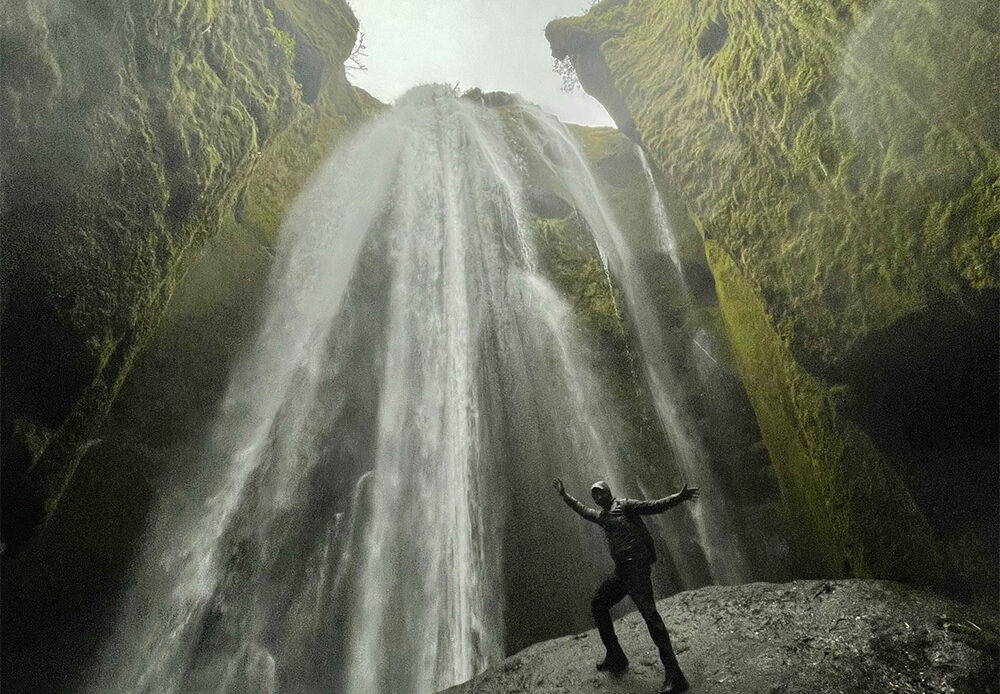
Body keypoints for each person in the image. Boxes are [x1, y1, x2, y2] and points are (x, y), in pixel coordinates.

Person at [552, 477, 699, 694]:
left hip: (637, 570)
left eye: (601, 492)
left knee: (651, 617)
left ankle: (676, 676)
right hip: (622, 572)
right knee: (598, 604)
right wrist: (564, 495)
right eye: (595, 495)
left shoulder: (625, 505)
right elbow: (582, 510)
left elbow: (653, 506)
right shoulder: (602, 516)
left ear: (609, 492)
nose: (598, 497)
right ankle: (616, 656)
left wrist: (679, 497)